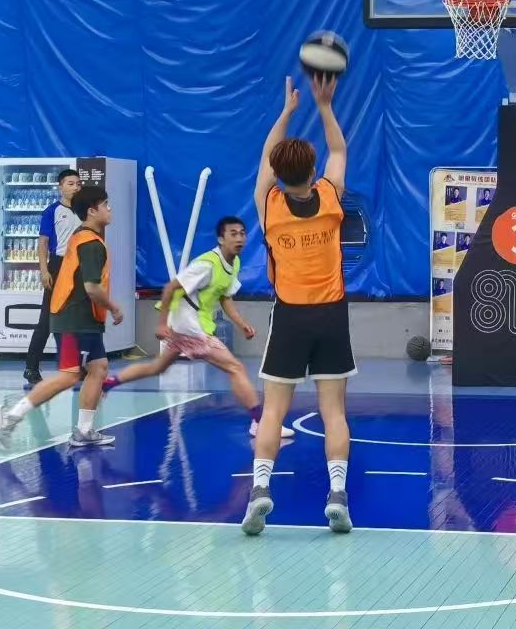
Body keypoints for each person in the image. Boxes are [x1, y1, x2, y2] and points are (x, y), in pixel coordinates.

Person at [242, 74, 355, 537]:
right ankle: (337, 496)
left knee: (273, 411)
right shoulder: (330, 197)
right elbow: (339, 150)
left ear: (279, 174)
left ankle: (260, 491)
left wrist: (286, 112)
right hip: (331, 315)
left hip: (289, 315)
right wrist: (323, 106)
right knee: (334, 412)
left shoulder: (269, 205)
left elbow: (267, 157)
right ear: (312, 172)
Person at [101, 216, 294, 439]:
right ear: (221, 239)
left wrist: (242, 325)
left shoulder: (234, 263)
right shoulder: (206, 264)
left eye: (242, 233)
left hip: (186, 325)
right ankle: (260, 423)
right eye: (233, 234)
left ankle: (110, 382)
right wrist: (161, 323)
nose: (239, 238)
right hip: (188, 324)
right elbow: (171, 287)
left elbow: (225, 298)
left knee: (157, 367)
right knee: (235, 368)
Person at [0, 186, 126, 448]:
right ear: (92, 211)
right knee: (70, 375)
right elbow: (92, 287)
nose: (110, 209)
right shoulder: (90, 244)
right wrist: (114, 308)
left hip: (85, 319)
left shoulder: (84, 237)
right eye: (105, 204)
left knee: (98, 368)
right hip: (74, 319)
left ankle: (84, 431)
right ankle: (11, 416)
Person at [23, 169, 82, 386]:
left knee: (78, 319)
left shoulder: (86, 211)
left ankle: (75, 366)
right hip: (58, 266)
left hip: (80, 266)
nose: (75, 187)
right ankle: (31, 367)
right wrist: (44, 270)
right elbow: (43, 244)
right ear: (60, 186)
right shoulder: (52, 212)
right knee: (47, 319)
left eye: (78, 184)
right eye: (70, 183)